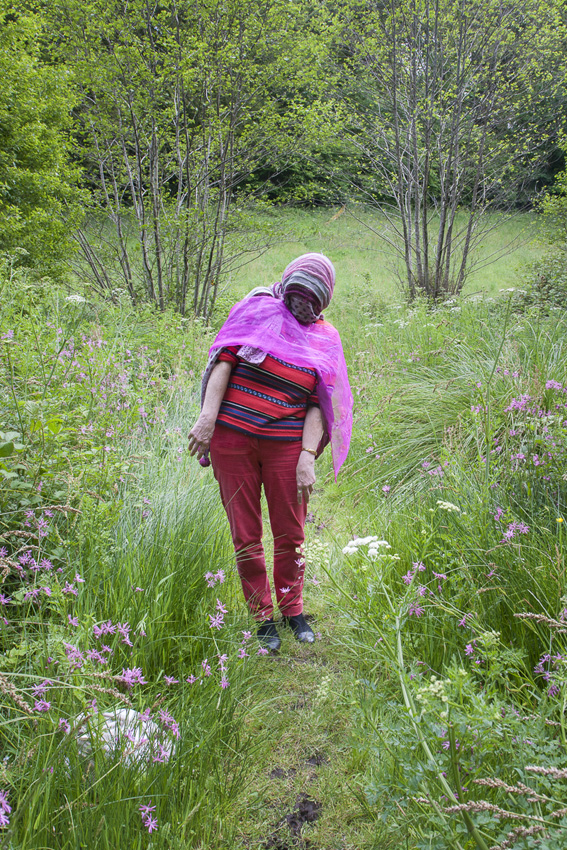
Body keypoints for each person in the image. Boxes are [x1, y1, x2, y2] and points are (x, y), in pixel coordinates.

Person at [188, 253, 352, 652]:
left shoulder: (325, 337)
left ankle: (293, 609)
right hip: (232, 440)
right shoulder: (258, 308)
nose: (301, 304)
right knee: (245, 534)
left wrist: (308, 455)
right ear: (285, 282)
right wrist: (207, 418)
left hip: (288, 445)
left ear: (325, 300)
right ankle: (262, 616)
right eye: (297, 293)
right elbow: (224, 360)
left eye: (312, 299)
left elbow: (320, 402)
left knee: (291, 532)